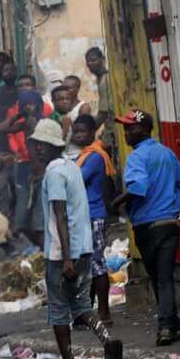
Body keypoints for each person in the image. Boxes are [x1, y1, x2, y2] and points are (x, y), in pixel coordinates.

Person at [32, 119, 124, 359]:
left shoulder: (55, 174)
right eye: (37, 144)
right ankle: (108, 341)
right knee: (81, 306)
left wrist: (66, 258)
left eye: (42, 145)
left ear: (51, 147)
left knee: (59, 312)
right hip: (82, 249)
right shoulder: (72, 167)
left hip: (64, 254)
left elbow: (60, 215)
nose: (38, 149)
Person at [111, 109, 180, 345]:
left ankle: (165, 327)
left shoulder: (137, 157)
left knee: (159, 278)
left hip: (147, 227)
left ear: (145, 129)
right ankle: (173, 326)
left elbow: (138, 188)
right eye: (125, 128)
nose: (126, 132)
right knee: (163, 277)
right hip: (169, 224)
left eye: (131, 128)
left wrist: (116, 202)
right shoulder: (166, 153)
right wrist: (173, 204)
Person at [71, 113, 116, 324]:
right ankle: (85, 312)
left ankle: (104, 313)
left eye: (82, 131)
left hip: (94, 214)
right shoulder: (84, 156)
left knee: (97, 263)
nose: (78, 135)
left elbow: (77, 178)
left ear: (92, 132)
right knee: (85, 264)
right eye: (75, 132)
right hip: (84, 215)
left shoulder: (95, 156)